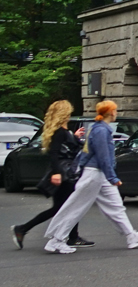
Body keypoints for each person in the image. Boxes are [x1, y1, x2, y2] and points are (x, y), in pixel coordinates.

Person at [40, 100, 138, 254]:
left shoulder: (99, 128)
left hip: (97, 174)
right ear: (111, 112)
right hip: (94, 174)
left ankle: (131, 236)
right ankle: (56, 240)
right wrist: (112, 177)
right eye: (115, 111)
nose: (116, 113)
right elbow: (103, 157)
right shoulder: (101, 130)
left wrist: (82, 168)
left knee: (116, 207)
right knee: (77, 207)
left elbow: (87, 152)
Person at [11, 102, 89, 250]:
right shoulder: (59, 132)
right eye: (69, 112)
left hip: (65, 173)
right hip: (63, 173)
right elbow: (54, 154)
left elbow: (68, 147)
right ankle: (22, 229)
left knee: (66, 206)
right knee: (64, 206)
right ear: (64, 113)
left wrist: (75, 136)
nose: (70, 114)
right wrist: (57, 173)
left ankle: (72, 237)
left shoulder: (63, 131)